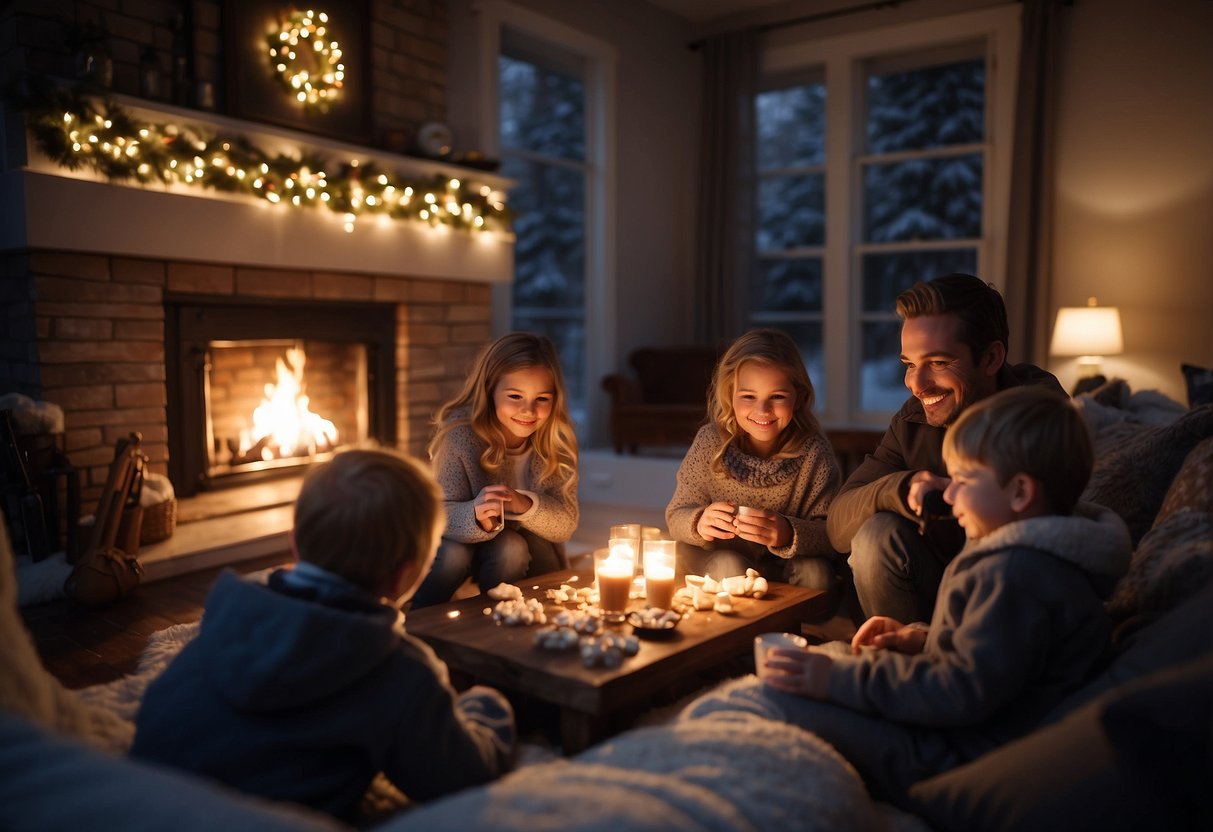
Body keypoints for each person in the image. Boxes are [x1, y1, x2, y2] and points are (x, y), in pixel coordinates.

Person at [685, 386, 1131, 804]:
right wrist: (921, 638)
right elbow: (998, 658)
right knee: (811, 673)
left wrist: (832, 681)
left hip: (961, 761)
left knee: (768, 700)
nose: (949, 493)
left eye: (964, 480)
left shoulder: (1017, 572)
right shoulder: (1026, 555)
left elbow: (959, 692)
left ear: (1019, 493)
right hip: (963, 733)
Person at [130, 447, 515, 820]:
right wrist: (486, 706)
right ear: (404, 575)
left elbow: (157, 720)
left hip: (146, 805)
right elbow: (462, 774)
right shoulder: (401, 671)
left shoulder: (231, 620)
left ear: (295, 543)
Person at [827, 273, 1065, 623]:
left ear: (991, 358)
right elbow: (837, 526)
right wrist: (902, 487)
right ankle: (905, 662)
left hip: (1016, 594)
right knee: (874, 535)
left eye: (937, 363)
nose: (916, 385)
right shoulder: (913, 422)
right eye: (909, 364)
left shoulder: (1040, 414)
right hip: (932, 591)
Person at [410, 332, 578, 608]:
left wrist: (524, 505)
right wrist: (477, 516)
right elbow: (440, 512)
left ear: (555, 398)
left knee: (512, 547)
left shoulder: (555, 443)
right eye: (515, 396)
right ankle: (418, 619)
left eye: (542, 399)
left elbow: (566, 524)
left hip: (519, 544)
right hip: (460, 538)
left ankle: (498, 616)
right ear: (490, 392)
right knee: (453, 556)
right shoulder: (460, 436)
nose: (528, 410)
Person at [665, 328, 841, 591]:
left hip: (783, 565)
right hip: (717, 558)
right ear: (729, 395)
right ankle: (737, 630)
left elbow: (832, 535)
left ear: (799, 397)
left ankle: (785, 630)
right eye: (748, 396)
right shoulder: (710, 443)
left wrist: (788, 533)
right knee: (729, 565)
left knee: (816, 573)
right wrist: (699, 521)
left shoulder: (813, 453)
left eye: (777, 397)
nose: (763, 410)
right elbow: (675, 516)